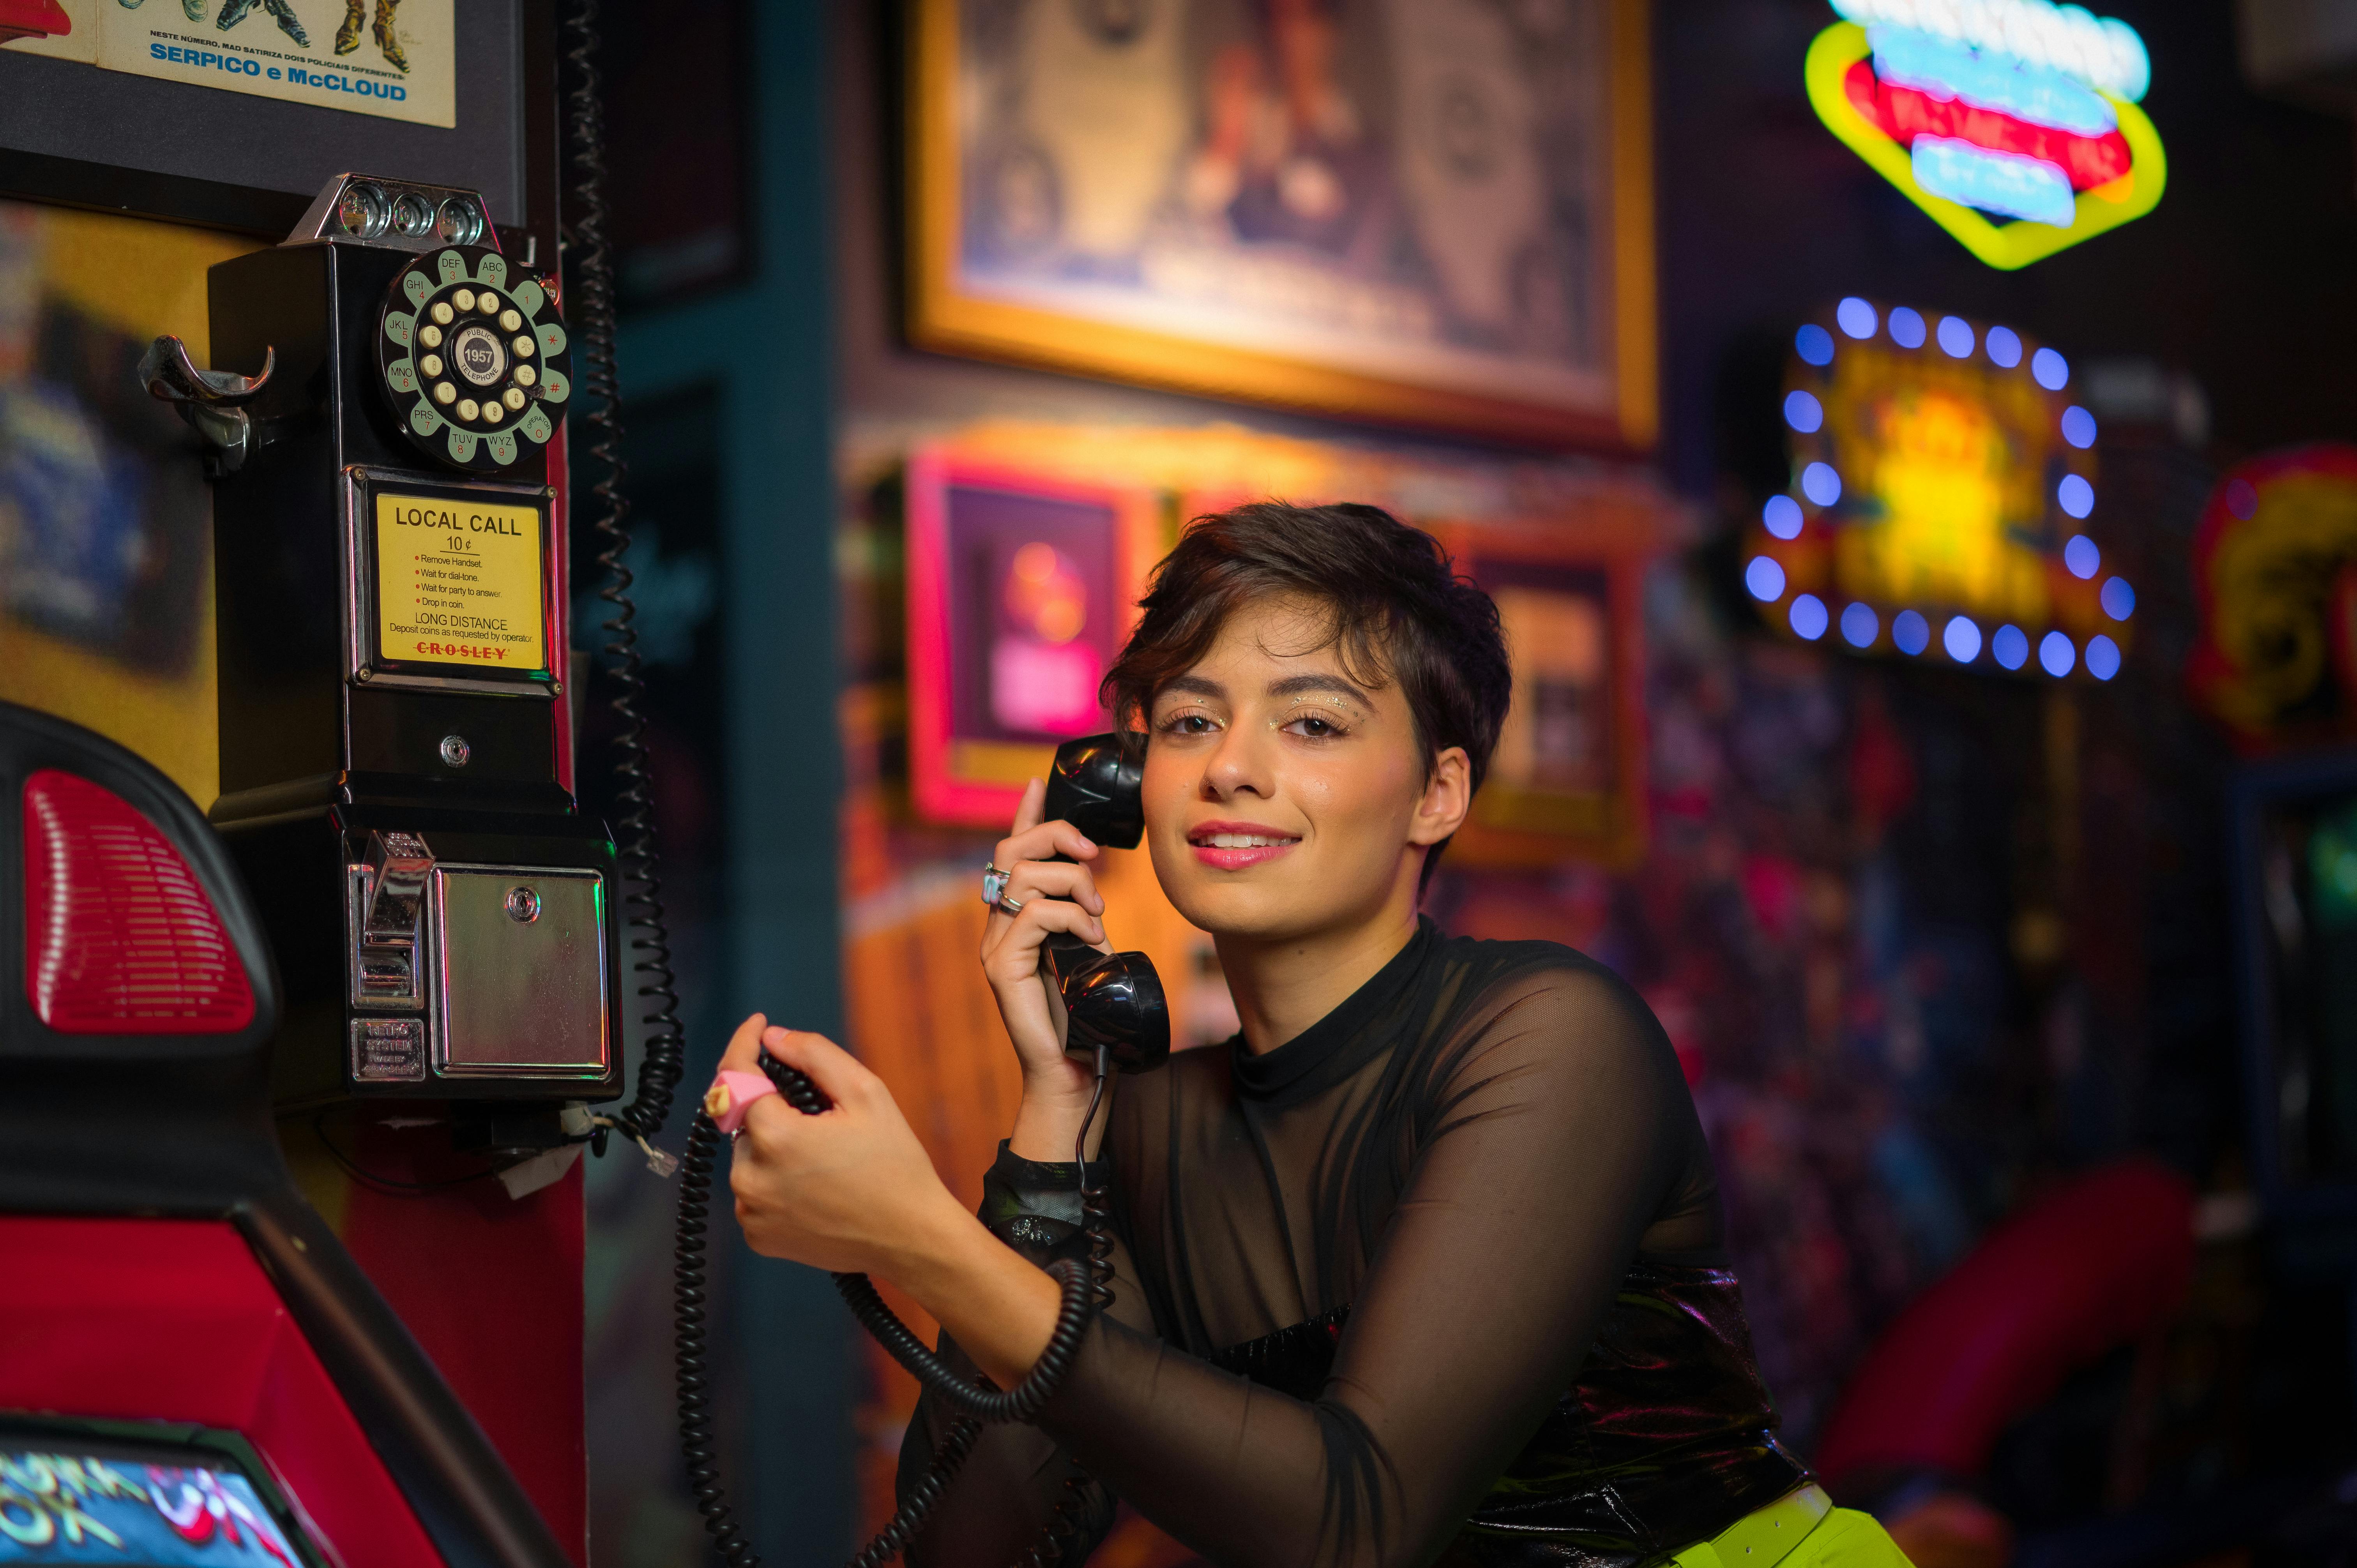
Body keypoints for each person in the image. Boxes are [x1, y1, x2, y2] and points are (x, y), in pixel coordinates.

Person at [719, 503, 1912, 1568]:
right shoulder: (1144, 1124)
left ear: (1438, 793)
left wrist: (924, 1242)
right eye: (1190, 721)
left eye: (1315, 726)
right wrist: (1050, 1119)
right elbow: (970, 1550)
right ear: (1131, 779)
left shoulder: (1554, 1036)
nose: (1233, 769)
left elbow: (1363, 1520)